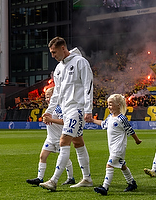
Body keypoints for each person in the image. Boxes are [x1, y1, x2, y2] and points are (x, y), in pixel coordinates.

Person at [39, 36, 94, 191]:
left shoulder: (80, 62)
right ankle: (87, 178)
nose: (53, 56)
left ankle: (53, 181)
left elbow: (88, 85)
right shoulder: (58, 68)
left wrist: (88, 110)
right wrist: (49, 111)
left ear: (63, 48)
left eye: (54, 52)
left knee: (64, 141)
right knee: (78, 143)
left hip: (77, 109)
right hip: (66, 110)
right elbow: (56, 93)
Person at [93, 94, 142, 196]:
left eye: (111, 104)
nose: (109, 106)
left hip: (118, 147)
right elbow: (103, 125)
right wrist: (92, 120)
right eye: (108, 104)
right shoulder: (110, 117)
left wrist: (137, 140)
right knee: (122, 165)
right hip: (112, 147)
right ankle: (132, 183)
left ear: (118, 105)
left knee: (109, 164)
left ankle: (105, 187)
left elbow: (130, 130)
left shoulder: (122, 118)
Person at [26, 87, 75, 186]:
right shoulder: (49, 109)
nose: (47, 99)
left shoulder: (59, 108)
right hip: (50, 138)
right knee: (42, 156)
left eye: (49, 97)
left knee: (65, 160)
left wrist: (50, 120)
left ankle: (71, 178)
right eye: (46, 97)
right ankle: (40, 178)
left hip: (59, 139)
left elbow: (64, 121)